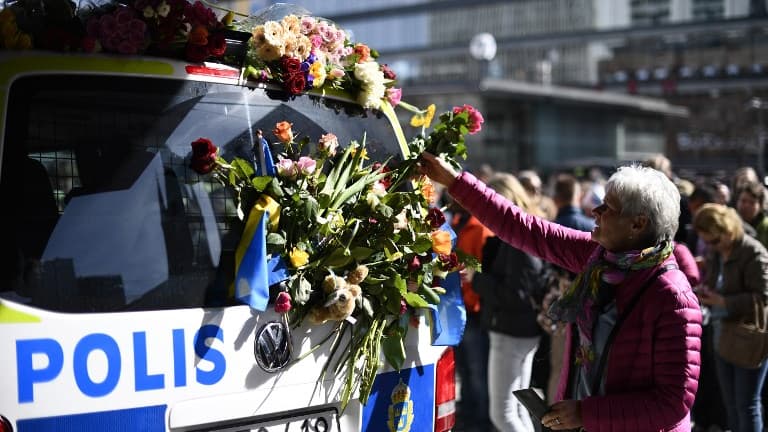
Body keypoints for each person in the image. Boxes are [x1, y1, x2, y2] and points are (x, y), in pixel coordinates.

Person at [417, 152, 702, 431]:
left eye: (608, 208)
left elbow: (672, 404)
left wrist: (585, 413)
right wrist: (455, 182)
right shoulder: (600, 256)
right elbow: (525, 228)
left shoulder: (672, 296)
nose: (595, 212)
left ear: (637, 224)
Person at [472, 172, 546, 432]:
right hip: (516, 330)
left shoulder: (520, 238)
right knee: (515, 408)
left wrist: (476, 279)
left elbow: (517, 294)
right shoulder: (522, 233)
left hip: (512, 331)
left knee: (502, 413)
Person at [694, 203, 768, 432]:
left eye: (714, 241)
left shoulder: (754, 253)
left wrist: (724, 302)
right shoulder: (717, 253)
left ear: (728, 231)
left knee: (747, 405)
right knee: (731, 406)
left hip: (748, 339)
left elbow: (763, 298)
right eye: (707, 242)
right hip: (722, 335)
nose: (710, 246)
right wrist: (704, 291)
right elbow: (717, 283)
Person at [451, 200, 494, 432]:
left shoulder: (480, 229)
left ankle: (482, 419)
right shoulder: (458, 223)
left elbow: (484, 269)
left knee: (477, 369)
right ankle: (468, 412)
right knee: (465, 367)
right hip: (458, 306)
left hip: (474, 309)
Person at [735, 180, 768, 248]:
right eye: (743, 201)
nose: (746, 206)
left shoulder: (766, 228)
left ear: (761, 206)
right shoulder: (731, 224)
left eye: (752, 202)